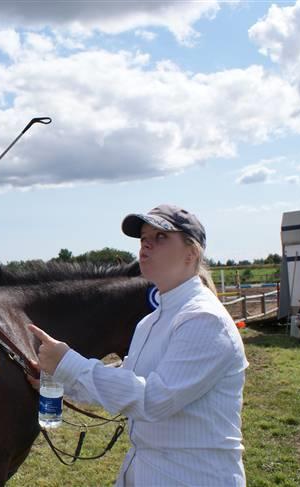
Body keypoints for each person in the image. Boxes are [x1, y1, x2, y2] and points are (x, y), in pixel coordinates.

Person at [29, 204, 248, 486]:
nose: (146, 246)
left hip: (192, 475)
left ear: (191, 253)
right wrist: (61, 382)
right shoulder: (151, 321)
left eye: (160, 238)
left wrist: (69, 362)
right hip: (145, 469)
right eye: (144, 239)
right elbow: (126, 384)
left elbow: (154, 400)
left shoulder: (204, 319)